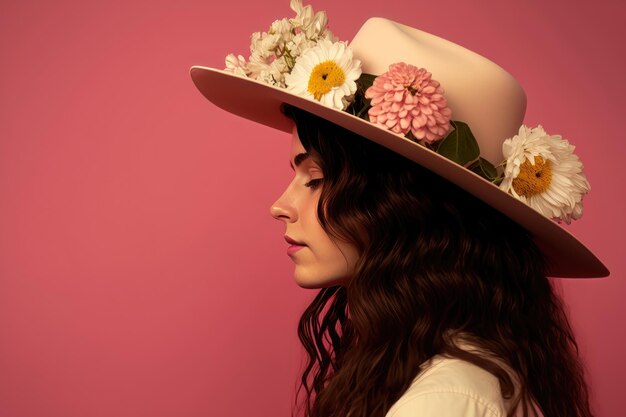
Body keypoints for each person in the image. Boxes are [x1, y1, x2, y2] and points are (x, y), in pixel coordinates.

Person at [190, 2, 609, 416]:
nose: (280, 207)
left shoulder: (444, 400)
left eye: (315, 179)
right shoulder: (421, 367)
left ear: (405, 207)